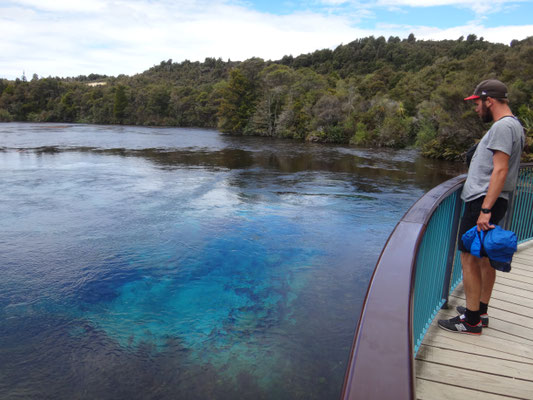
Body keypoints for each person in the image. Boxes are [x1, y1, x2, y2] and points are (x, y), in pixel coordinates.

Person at [438, 79, 525, 334]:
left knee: (468, 258)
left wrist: (485, 209)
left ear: (490, 101)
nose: (476, 109)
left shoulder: (502, 127)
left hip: (482, 200)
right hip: (493, 200)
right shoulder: (515, 125)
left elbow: (500, 169)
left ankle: (472, 321)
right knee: (484, 259)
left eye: (477, 103)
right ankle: (480, 311)